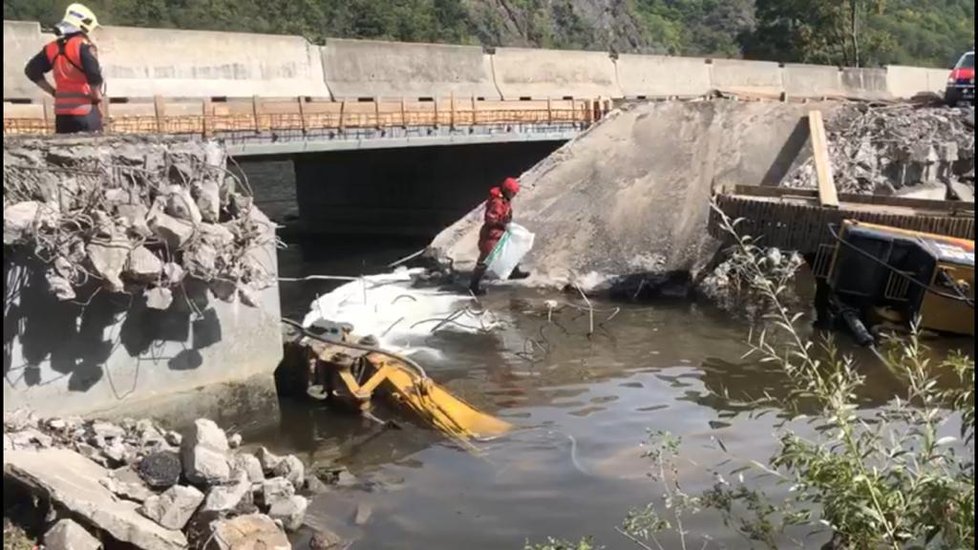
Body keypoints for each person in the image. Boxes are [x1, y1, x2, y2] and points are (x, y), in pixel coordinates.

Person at [24, 3, 104, 134]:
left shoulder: (51, 48)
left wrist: (53, 92)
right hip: (85, 112)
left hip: (62, 115)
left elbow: (31, 70)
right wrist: (97, 96)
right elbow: (94, 76)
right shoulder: (83, 46)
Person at [469, 177, 530, 295]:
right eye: (513, 193)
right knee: (486, 258)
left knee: (512, 248)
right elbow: (491, 218)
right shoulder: (497, 202)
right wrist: (502, 222)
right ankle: (474, 285)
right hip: (492, 233)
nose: (514, 195)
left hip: (500, 231)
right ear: (507, 191)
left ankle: (513, 271)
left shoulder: (504, 199)